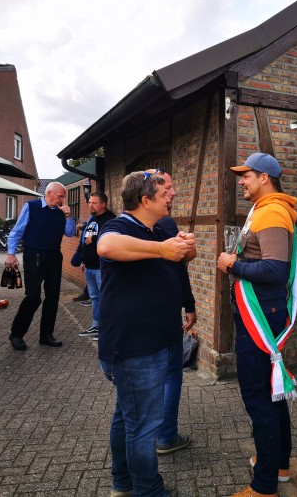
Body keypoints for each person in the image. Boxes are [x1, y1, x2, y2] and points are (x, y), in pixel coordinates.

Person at [97, 171, 195, 497]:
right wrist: (162, 250)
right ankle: (148, 490)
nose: (172, 195)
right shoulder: (120, 227)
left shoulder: (160, 229)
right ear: (145, 200)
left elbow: (176, 260)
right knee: (143, 426)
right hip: (135, 348)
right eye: (164, 192)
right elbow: (106, 246)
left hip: (154, 342)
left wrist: (184, 250)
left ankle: (123, 483)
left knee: (127, 417)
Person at [217, 153, 297, 497]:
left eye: (246, 175)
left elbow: (274, 270)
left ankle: (264, 486)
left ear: (264, 177)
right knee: (271, 392)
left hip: (260, 316)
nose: (241, 181)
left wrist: (232, 265)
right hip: (262, 310)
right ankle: (278, 464)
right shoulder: (266, 209)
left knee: (257, 396)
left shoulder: (272, 212)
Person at [145, 168, 198, 455]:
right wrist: (189, 305)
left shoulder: (126, 227)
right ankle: (166, 436)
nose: (173, 193)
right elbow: (179, 270)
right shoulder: (165, 224)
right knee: (170, 374)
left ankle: (148, 434)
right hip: (163, 314)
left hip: (144, 315)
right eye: (167, 188)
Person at [6, 182, 76, 350]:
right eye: (60, 196)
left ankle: (46, 335)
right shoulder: (32, 206)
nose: (62, 200)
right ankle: (16, 334)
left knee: (52, 297)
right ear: (49, 193)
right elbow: (17, 231)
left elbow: (70, 232)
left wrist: (69, 217)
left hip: (54, 256)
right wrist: (11, 253)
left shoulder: (61, 212)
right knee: (33, 296)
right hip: (34, 256)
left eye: (63, 197)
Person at [77, 192, 116, 338]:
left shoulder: (110, 219)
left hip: (102, 268)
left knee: (106, 298)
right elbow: (85, 241)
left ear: (103, 204)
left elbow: (112, 239)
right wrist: (84, 260)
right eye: (89, 202)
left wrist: (94, 238)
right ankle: (96, 326)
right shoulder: (92, 219)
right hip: (89, 267)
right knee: (94, 298)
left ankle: (107, 329)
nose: (90, 205)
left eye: (94, 203)